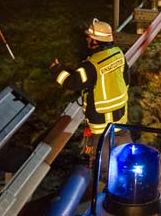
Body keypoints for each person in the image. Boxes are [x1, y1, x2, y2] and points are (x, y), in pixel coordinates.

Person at [49, 19, 129, 163]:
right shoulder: (118, 54)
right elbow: (126, 79)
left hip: (100, 124)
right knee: (125, 159)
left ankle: (105, 181)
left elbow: (72, 82)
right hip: (121, 118)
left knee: (103, 165)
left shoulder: (92, 65)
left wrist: (57, 70)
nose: (87, 39)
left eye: (89, 37)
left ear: (96, 41)